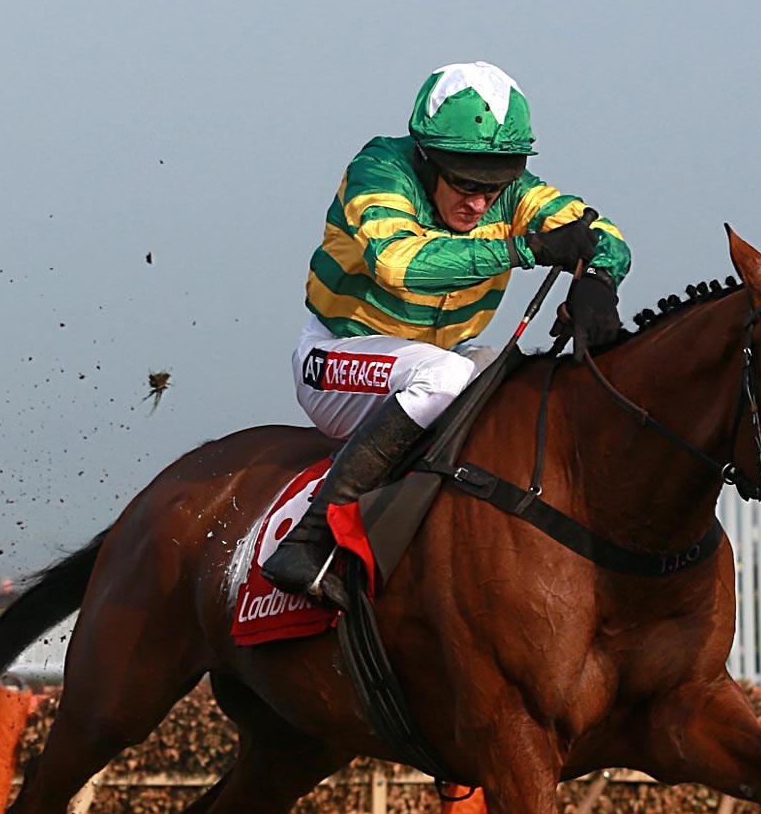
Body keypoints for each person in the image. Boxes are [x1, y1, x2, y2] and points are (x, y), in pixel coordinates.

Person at [263, 62, 630, 607]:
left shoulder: (516, 193)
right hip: (336, 358)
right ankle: (312, 537)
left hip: (437, 360)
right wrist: (524, 249)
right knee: (446, 374)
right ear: (428, 157)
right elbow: (397, 263)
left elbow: (600, 232)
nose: (480, 202)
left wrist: (599, 280)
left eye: (495, 184)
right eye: (464, 181)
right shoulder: (380, 169)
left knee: (521, 386)